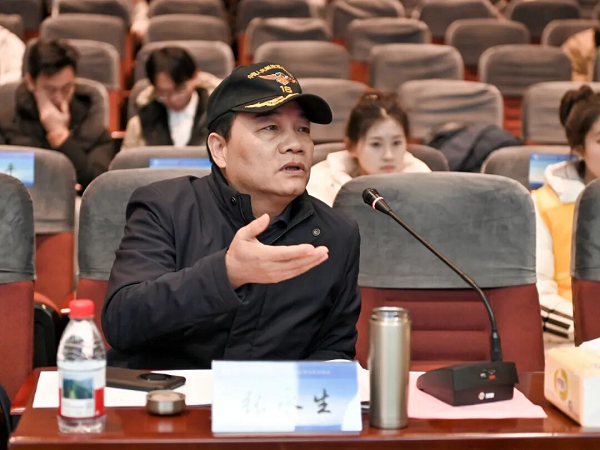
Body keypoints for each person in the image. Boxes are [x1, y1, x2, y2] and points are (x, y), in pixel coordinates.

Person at [103, 62, 361, 369]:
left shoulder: (336, 234)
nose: (295, 145)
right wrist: (225, 274)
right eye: (270, 128)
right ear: (219, 149)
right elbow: (123, 323)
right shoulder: (165, 207)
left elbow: (334, 349)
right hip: (170, 393)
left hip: (274, 397)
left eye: (303, 129)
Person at [534, 85, 600, 344]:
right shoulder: (541, 204)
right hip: (569, 344)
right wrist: (588, 330)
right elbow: (535, 297)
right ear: (580, 148)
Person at [0, 39, 114, 190]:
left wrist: (61, 137)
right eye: (50, 90)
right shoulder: (5, 125)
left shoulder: (93, 127)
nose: (59, 99)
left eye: (66, 88)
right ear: (30, 83)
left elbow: (101, 185)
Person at [307, 91, 430, 206]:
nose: (389, 156)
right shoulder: (320, 183)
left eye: (396, 143)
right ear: (352, 146)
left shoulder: (424, 181)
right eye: (376, 144)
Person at [121, 47, 220, 150]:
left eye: (180, 90)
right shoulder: (139, 125)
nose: (173, 99)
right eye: (162, 93)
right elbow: (127, 160)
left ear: (195, 77)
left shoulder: (220, 116)